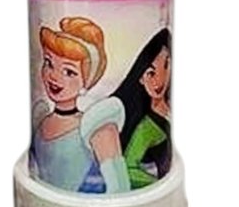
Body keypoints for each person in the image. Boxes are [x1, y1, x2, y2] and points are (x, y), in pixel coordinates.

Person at [30, 17, 130, 193]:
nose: (54, 76)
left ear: (87, 81)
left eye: (69, 72)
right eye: (48, 63)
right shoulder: (41, 118)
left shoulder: (96, 126)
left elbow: (120, 188)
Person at [111, 29, 172, 189]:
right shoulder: (147, 126)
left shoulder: (169, 110)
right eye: (150, 73)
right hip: (154, 194)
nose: (159, 80)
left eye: (166, 65)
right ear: (140, 78)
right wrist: (154, 183)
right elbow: (129, 168)